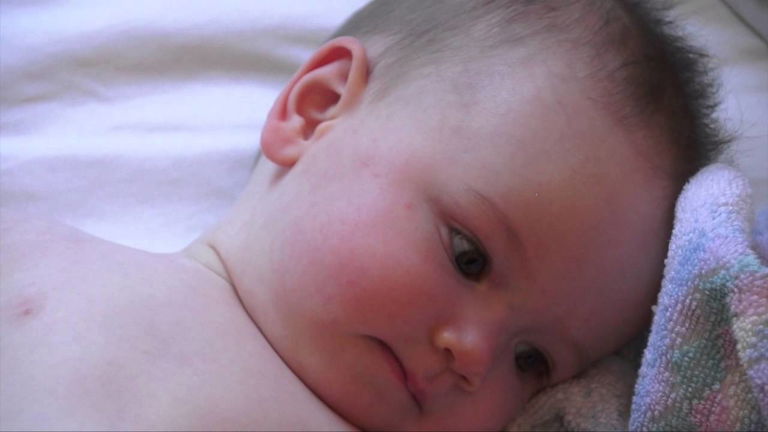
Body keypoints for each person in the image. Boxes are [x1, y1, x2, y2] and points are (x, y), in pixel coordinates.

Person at [0, 0, 728, 430]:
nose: (475, 357)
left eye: (531, 360)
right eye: (468, 255)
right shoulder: (35, 259)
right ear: (316, 111)